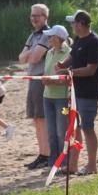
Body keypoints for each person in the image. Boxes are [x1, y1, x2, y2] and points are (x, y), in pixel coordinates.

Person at [56, 10, 98, 175]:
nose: (72, 26)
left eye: (73, 23)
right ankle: (73, 165)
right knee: (75, 128)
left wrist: (69, 72)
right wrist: (62, 64)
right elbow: (72, 54)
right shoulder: (79, 40)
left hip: (89, 92)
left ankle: (92, 165)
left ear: (80, 24)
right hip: (76, 91)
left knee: (88, 128)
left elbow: (91, 70)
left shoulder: (95, 42)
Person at [20, 4, 52, 171]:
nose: (34, 18)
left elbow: (34, 58)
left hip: (41, 78)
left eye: (37, 15)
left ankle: (46, 154)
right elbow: (21, 58)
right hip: (33, 79)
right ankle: (42, 153)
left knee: (42, 117)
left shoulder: (48, 34)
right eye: (32, 15)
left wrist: (30, 53)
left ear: (45, 17)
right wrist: (30, 53)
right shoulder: (33, 35)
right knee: (36, 118)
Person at [41, 25, 71, 170]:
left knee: (62, 131)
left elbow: (70, 77)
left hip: (63, 99)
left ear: (58, 38)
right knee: (51, 132)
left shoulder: (69, 53)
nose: (48, 38)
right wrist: (45, 79)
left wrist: (54, 80)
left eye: (50, 36)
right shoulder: (49, 52)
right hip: (47, 97)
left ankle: (64, 162)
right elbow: (47, 72)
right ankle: (54, 162)